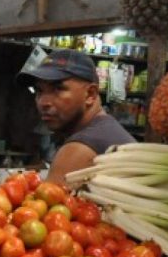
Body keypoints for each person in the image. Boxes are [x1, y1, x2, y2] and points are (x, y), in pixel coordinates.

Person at [17, 50, 135, 184]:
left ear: (90, 94)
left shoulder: (80, 149)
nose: (43, 102)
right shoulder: (107, 130)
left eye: (58, 89)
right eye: (39, 91)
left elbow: (43, 204)